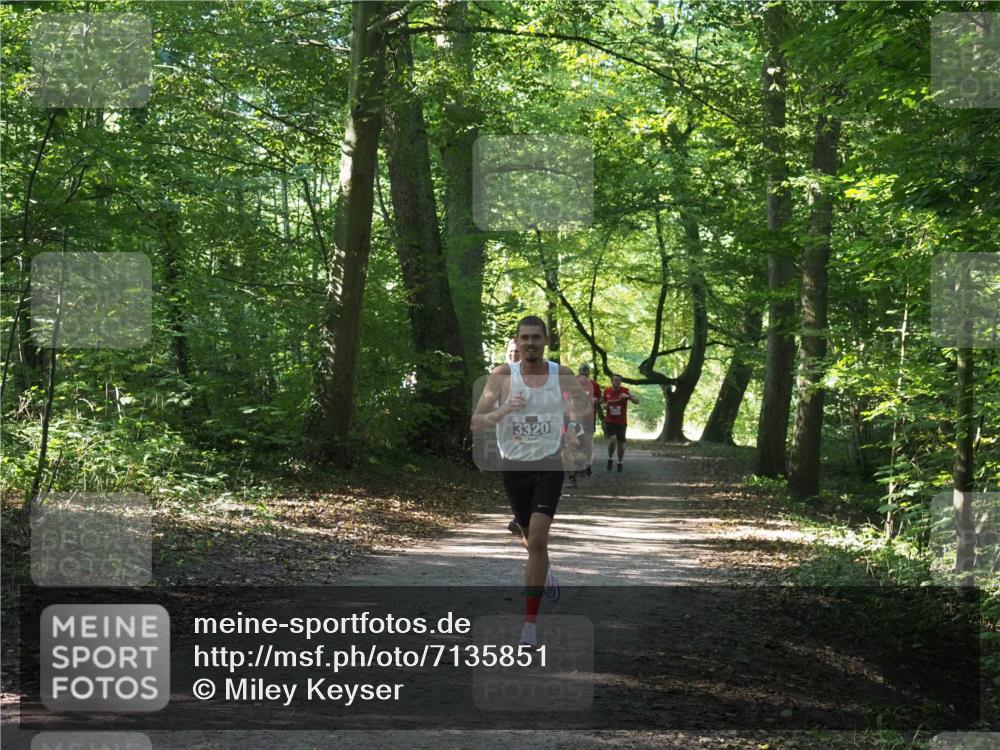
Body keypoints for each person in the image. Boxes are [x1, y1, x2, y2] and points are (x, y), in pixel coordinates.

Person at [471, 316, 591, 647]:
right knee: (528, 538)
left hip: (549, 465)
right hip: (514, 467)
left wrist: (577, 419)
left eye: (536, 337)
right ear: (517, 341)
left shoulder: (561, 374)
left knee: (537, 540)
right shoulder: (501, 376)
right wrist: (504, 409)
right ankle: (544, 569)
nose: (530, 343)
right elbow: (476, 421)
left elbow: (582, 407)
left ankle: (529, 624)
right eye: (524, 337)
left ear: (545, 340)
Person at [603, 374, 638, 472]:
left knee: (621, 443)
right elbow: (604, 403)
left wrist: (629, 397)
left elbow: (637, 401)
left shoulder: (626, 390)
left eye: (619, 380)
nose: (617, 382)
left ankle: (620, 462)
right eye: (615, 380)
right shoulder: (607, 391)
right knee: (613, 440)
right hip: (610, 420)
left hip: (622, 421)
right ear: (611, 381)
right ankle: (610, 459)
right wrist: (605, 406)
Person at [575, 364, 601, 477]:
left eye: (586, 373)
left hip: (589, 417)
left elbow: (600, 398)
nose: (584, 376)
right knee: (576, 442)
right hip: (574, 417)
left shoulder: (594, 385)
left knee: (589, 443)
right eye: (582, 373)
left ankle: (588, 465)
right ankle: (577, 466)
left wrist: (596, 400)